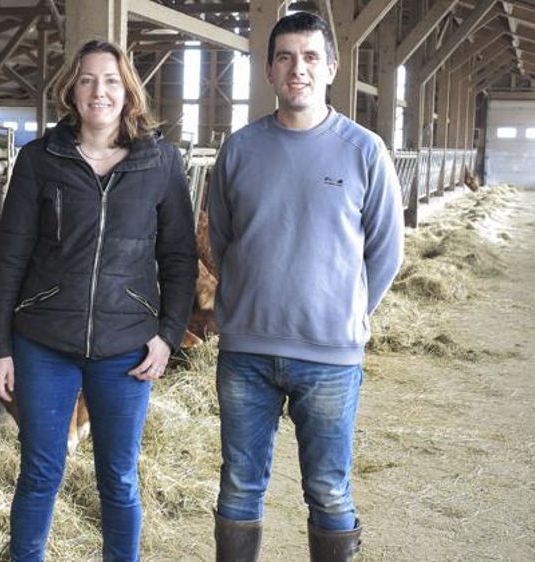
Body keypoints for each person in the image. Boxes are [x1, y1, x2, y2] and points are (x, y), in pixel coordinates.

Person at [0, 40, 198, 562]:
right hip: (43, 342)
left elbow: (179, 258)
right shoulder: (40, 159)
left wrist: (168, 335)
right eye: (86, 80)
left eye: (109, 80)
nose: (98, 91)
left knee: (119, 477)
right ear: (71, 91)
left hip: (126, 346)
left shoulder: (161, 163)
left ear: (128, 91)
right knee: (40, 471)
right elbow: (9, 257)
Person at [207, 12, 404, 562]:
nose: (299, 69)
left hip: (330, 357)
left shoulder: (364, 150)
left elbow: (387, 251)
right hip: (245, 352)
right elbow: (222, 239)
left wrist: (347, 313)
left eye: (311, 57)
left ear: (331, 68)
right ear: (269, 70)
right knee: (240, 486)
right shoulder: (240, 149)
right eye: (286, 57)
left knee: (328, 489)